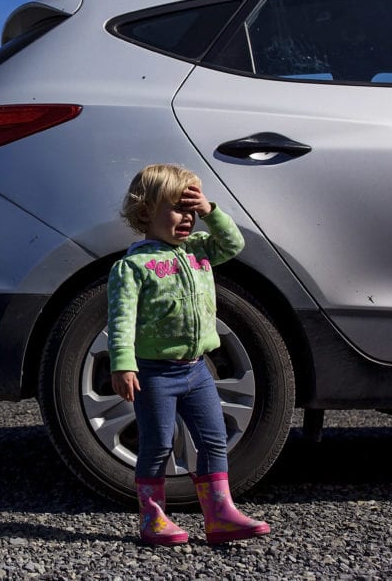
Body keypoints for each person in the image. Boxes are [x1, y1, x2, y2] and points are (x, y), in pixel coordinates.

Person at [107, 163, 270, 546]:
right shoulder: (132, 267)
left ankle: (219, 514)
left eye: (192, 211)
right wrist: (122, 364)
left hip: (197, 371)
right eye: (178, 209)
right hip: (154, 374)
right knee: (158, 444)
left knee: (214, 439)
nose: (188, 219)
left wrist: (212, 211)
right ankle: (154, 517)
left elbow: (234, 244)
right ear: (146, 211)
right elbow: (121, 321)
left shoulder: (198, 251)